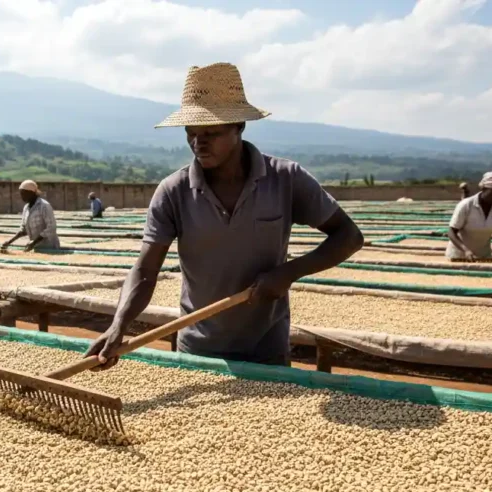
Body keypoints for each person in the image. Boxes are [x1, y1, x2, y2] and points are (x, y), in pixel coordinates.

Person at [85, 62, 364, 369]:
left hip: (266, 350)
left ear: (239, 126)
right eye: (191, 133)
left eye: (211, 133)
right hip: (197, 350)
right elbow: (145, 270)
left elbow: (349, 236)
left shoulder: (286, 179)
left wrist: (287, 273)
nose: (198, 143)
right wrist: (118, 325)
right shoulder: (173, 192)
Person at [0, 180, 60, 252]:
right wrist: (9, 242)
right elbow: (23, 230)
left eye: (24, 194)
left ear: (31, 193)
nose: (22, 197)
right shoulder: (26, 208)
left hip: (49, 247)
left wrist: (34, 242)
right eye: (21, 194)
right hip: (36, 248)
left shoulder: (44, 206)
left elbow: (51, 228)